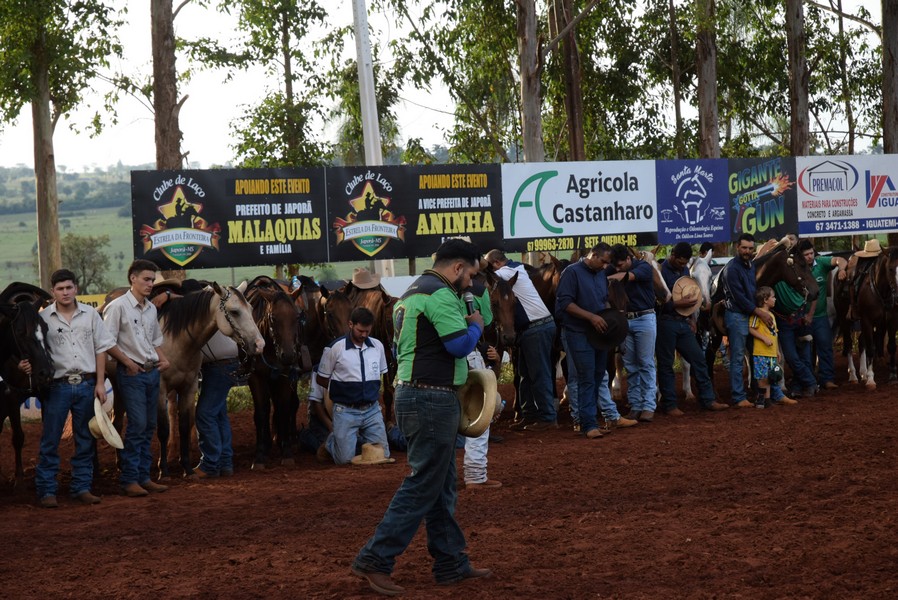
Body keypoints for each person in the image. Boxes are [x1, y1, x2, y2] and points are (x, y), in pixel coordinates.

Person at [352, 238, 490, 596]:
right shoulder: (441, 295)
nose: (471, 283)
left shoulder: (413, 292)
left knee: (440, 484)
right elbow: (459, 345)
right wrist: (474, 324)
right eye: (471, 274)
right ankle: (375, 559)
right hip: (432, 397)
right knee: (423, 482)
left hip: (418, 394)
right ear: (457, 268)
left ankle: (450, 562)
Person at [32, 269, 139, 508]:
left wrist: (101, 383)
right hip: (56, 386)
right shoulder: (43, 318)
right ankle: (47, 490)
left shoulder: (90, 314)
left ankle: (81, 487)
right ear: (53, 292)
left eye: (69, 287)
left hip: (87, 384)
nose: (65, 292)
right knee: (50, 440)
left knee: (85, 440)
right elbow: (35, 349)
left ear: (76, 288)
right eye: (60, 289)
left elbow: (101, 348)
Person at [102, 259, 171, 497]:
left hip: (151, 372)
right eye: (146, 279)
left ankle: (142, 476)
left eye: (153, 280)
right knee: (138, 425)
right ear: (133, 278)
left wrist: (163, 358)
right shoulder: (118, 306)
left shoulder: (151, 308)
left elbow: (154, 340)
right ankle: (129, 478)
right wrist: (128, 362)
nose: (151, 284)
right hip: (132, 373)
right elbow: (106, 342)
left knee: (149, 424)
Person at [484, 249, 557, 431]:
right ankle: (529, 414)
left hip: (536, 327)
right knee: (524, 374)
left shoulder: (506, 272)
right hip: (535, 327)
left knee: (538, 374)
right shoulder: (517, 268)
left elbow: (484, 276)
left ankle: (548, 418)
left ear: (496, 264)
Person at [656, 243, 729, 415]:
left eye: (685, 263)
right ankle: (670, 404)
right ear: (672, 255)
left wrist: (691, 318)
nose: (682, 266)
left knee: (698, 359)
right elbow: (658, 302)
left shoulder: (684, 271)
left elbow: (691, 294)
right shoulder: (660, 271)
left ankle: (708, 400)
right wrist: (677, 304)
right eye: (680, 262)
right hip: (665, 322)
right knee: (666, 365)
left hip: (683, 322)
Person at [556, 243, 617, 439]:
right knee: (586, 376)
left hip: (598, 331)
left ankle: (588, 421)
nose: (606, 266)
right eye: (603, 261)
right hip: (578, 332)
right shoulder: (571, 272)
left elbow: (603, 300)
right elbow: (565, 303)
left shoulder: (600, 273)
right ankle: (588, 424)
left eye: (608, 263)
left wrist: (609, 316)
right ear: (593, 254)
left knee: (599, 375)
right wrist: (591, 317)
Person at [317, 307, 390, 465]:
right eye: (360, 330)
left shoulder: (378, 346)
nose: (364, 335)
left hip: (372, 410)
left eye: (367, 331)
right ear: (350, 324)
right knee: (344, 461)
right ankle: (332, 441)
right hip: (345, 411)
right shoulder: (334, 348)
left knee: (382, 455)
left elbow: (381, 374)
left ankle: (351, 439)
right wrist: (342, 391)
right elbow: (321, 379)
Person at [607, 244, 658, 422]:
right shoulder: (615, 268)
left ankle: (649, 405)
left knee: (645, 363)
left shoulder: (643, 266)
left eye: (621, 264)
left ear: (629, 259)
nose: (618, 268)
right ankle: (636, 405)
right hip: (626, 320)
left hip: (645, 318)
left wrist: (611, 276)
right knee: (631, 365)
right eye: (615, 265)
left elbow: (626, 276)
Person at [723, 233, 773, 407]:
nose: (747, 251)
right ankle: (738, 397)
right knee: (737, 357)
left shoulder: (750, 265)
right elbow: (739, 298)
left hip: (750, 314)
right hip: (737, 315)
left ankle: (761, 393)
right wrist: (761, 312)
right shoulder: (731, 269)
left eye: (751, 248)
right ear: (737, 247)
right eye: (744, 248)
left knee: (758, 354)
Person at [191, 330, 240, 479]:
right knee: (219, 415)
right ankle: (225, 463)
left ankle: (210, 464)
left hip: (218, 365)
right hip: (226, 362)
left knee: (204, 414)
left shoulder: (202, 306)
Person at [799, 240, 847, 390]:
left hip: (820, 316)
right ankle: (807, 380)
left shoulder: (821, 263)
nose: (809, 257)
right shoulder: (795, 268)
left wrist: (841, 269)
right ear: (800, 256)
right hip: (801, 317)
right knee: (804, 351)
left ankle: (827, 379)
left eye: (811, 253)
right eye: (806, 254)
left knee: (825, 347)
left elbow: (840, 260)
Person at [749, 286, 797, 408]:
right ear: (765, 299)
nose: (775, 299)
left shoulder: (771, 315)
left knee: (771, 376)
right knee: (762, 376)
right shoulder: (758, 315)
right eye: (773, 297)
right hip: (761, 352)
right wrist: (763, 338)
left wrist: (777, 351)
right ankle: (763, 400)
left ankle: (769, 399)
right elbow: (750, 328)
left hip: (770, 353)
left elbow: (774, 334)